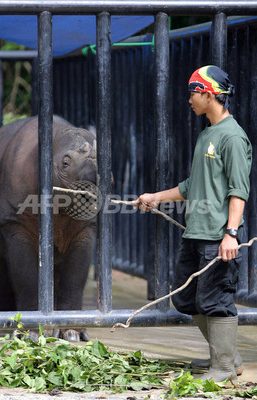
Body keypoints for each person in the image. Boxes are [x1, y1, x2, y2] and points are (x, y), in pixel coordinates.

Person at [133, 65, 252, 382]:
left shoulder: (233, 138)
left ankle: (224, 367)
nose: (189, 99)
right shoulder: (207, 134)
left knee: (216, 301)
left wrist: (231, 234)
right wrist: (156, 197)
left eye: (192, 92)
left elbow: (239, 190)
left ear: (209, 94)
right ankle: (228, 358)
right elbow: (192, 185)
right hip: (196, 233)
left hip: (218, 236)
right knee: (186, 299)